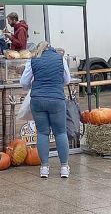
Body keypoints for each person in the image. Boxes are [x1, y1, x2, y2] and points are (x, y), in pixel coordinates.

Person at [20, 41, 72, 179]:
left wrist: (34, 84)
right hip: (56, 99)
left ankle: (44, 168)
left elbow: (24, 83)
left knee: (42, 133)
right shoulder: (60, 59)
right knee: (60, 132)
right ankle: (64, 167)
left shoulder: (33, 60)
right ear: (52, 49)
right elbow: (67, 80)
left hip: (37, 100)